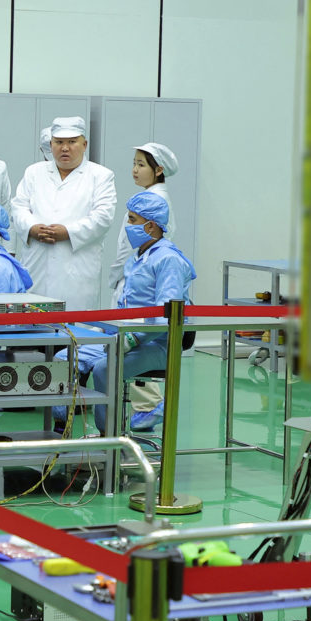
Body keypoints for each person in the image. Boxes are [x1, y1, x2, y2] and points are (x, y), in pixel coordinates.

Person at [54, 191, 194, 435]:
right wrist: (103, 327)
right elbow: (126, 307)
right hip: (122, 336)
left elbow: (166, 315)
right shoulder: (138, 258)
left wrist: (132, 338)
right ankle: (59, 431)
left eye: (132, 219)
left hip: (158, 345)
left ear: (151, 226)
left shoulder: (169, 260)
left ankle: (109, 437)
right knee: (63, 359)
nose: (128, 225)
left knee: (104, 368)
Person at [10, 116, 117, 311]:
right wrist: (32, 228)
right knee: (32, 321)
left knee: (74, 323)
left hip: (77, 270)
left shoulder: (101, 176)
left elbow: (102, 217)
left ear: (84, 145)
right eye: (59, 142)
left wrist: (67, 232)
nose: (65, 148)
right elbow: (18, 207)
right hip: (37, 264)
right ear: (51, 144)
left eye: (72, 142)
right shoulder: (34, 172)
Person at [108, 143, 179, 431]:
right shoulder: (148, 198)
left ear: (158, 170)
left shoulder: (153, 201)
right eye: (134, 163)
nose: (135, 170)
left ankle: (147, 408)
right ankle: (144, 407)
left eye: (141, 165)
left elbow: (129, 248)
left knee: (133, 345)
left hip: (136, 281)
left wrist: (116, 276)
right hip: (132, 279)